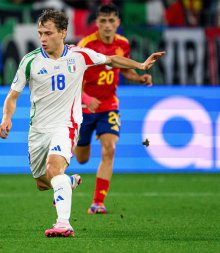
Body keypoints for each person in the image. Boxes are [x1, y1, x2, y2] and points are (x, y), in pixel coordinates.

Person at [0, 9, 164, 237]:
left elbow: (111, 60)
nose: (43, 38)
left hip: (66, 125)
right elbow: (12, 96)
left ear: (63, 32)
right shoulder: (30, 61)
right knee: (42, 182)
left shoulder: (79, 55)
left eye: (48, 33)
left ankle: (63, 224)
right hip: (38, 130)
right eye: (40, 33)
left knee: (54, 168)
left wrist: (141, 66)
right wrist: (6, 117)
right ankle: (69, 182)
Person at [74, 3, 154, 214]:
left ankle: (97, 202)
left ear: (118, 22)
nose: (107, 26)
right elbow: (74, 77)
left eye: (111, 21)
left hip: (109, 104)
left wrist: (138, 78)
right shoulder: (86, 45)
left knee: (109, 149)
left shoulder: (123, 44)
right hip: (85, 106)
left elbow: (123, 69)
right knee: (81, 158)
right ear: (97, 23)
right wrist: (85, 97)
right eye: (103, 21)